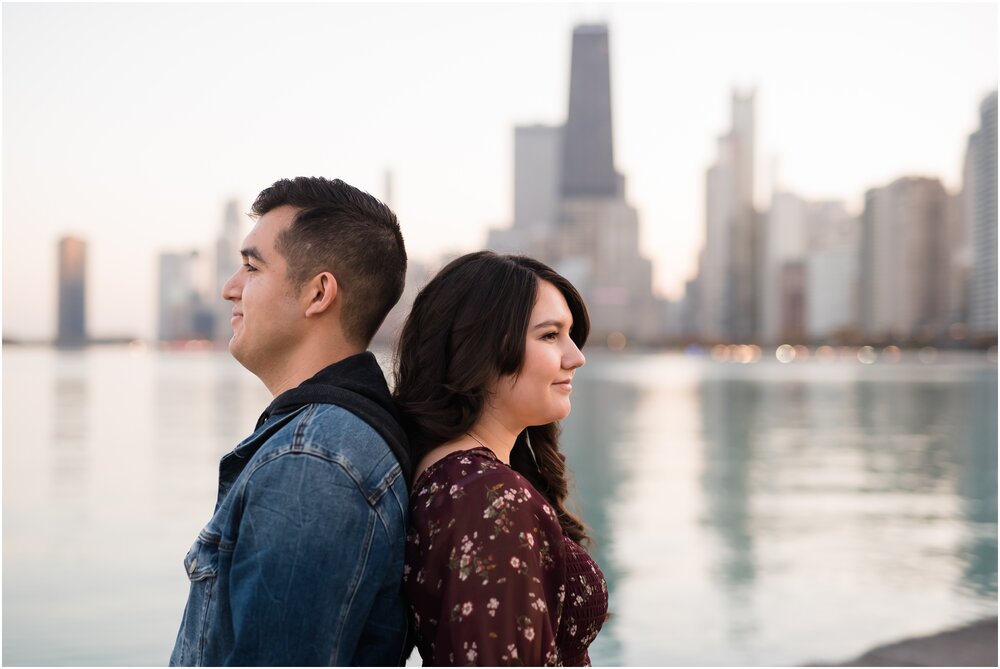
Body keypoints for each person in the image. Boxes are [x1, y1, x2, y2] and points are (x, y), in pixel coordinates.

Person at [170, 176, 412, 666]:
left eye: (251, 267)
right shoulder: (330, 439)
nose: (228, 288)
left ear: (319, 293)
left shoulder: (314, 461)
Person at [393, 251, 608, 666]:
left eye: (570, 336)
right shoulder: (487, 499)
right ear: (481, 350)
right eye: (550, 335)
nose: (576, 356)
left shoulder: (457, 479)